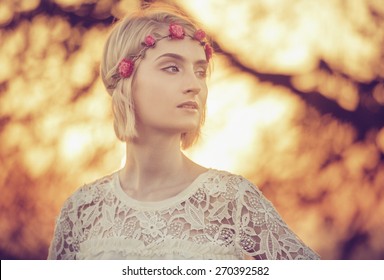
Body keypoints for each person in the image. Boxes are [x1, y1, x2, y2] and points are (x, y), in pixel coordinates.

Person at [48, 3, 320, 260]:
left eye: (200, 71)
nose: (195, 85)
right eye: (172, 67)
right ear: (125, 80)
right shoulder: (82, 211)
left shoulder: (231, 200)